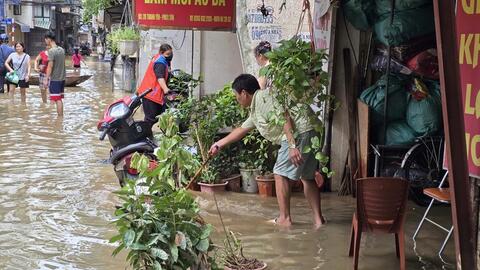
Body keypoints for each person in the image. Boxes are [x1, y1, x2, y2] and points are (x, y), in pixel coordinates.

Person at [209, 74, 324, 228]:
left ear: (244, 93)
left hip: (299, 133)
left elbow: (285, 117)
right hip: (311, 130)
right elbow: (242, 129)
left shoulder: (263, 97)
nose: (237, 100)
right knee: (307, 177)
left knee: (280, 173)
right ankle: (318, 221)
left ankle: (284, 218)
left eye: (237, 96)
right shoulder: (258, 105)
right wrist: (219, 144)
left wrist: (291, 146)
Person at [137, 43, 173, 128]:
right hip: (150, 94)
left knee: (158, 117)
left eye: (171, 53)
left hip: (151, 93)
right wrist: (166, 90)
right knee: (150, 119)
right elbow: (160, 77)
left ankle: (147, 136)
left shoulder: (161, 59)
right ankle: (143, 136)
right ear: (161, 52)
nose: (170, 56)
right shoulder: (160, 62)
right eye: (167, 54)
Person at [44, 32, 66, 117]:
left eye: (45, 39)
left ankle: (60, 118)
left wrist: (46, 79)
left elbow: (50, 66)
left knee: (57, 99)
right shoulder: (61, 49)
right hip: (62, 78)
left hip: (55, 79)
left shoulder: (51, 51)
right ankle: (60, 117)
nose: (45, 41)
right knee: (59, 98)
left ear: (49, 39)